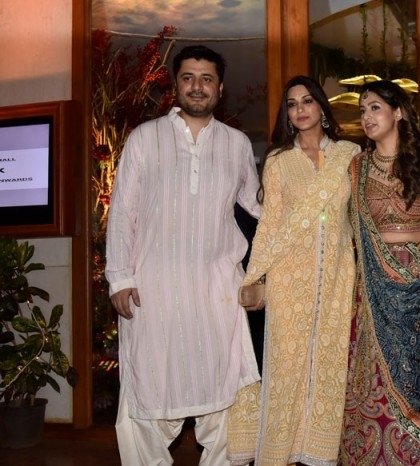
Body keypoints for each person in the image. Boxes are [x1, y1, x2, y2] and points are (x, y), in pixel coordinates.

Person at [105, 45, 261, 465]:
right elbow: (122, 211)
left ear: (220, 88)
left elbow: (259, 207)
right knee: (149, 391)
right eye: (188, 77)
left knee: (225, 393)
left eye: (207, 79)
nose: (197, 86)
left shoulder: (236, 144)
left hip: (217, 292)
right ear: (175, 85)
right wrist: (119, 277)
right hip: (153, 291)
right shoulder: (145, 138)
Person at [237, 75, 360, 465]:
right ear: (287, 114)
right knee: (286, 368)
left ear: (321, 106)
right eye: (292, 104)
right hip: (289, 277)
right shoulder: (278, 161)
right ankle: (278, 454)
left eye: (307, 101)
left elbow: (359, 219)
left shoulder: (350, 155)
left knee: (329, 365)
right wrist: (257, 276)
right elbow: (270, 224)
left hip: (339, 276)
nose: (300, 109)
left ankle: (319, 452)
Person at [339, 80, 420, 464]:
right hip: (376, 286)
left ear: (398, 112)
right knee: (377, 376)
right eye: (362, 110)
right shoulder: (356, 168)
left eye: (375, 107)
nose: (366, 116)